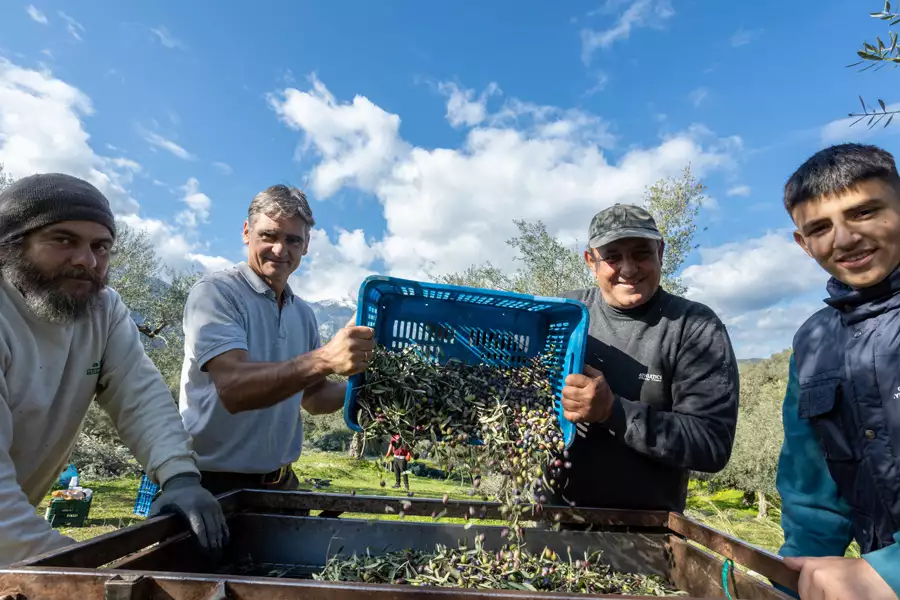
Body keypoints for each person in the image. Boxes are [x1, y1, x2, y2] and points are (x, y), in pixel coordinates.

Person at [0, 173, 228, 566]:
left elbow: (139, 395)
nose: (86, 261)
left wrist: (179, 476)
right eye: (63, 240)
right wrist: (77, 572)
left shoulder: (102, 310)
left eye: (100, 246)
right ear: (11, 245)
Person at [179, 184, 375, 495]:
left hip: (280, 484)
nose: (280, 250)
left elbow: (312, 398)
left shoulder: (303, 314)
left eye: (293, 240)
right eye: (269, 235)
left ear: (306, 245)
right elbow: (234, 389)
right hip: (211, 485)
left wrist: (368, 389)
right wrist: (325, 358)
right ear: (247, 232)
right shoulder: (216, 293)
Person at [553, 203, 740, 513]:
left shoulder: (694, 327)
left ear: (661, 251)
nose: (629, 269)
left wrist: (612, 411)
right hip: (552, 525)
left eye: (641, 253)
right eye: (612, 256)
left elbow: (711, 444)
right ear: (591, 260)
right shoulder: (563, 315)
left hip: (650, 534)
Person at [776, 143, 900, 600]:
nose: (844, 240)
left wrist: (889, 573)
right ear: (803, 244)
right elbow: (812, 498)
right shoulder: (812, 341)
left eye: (865, 213)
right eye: (820, 228)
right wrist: (792, 582)